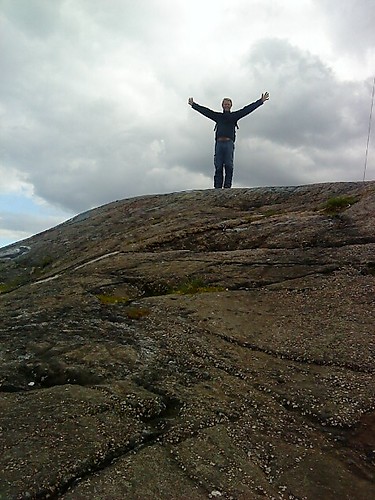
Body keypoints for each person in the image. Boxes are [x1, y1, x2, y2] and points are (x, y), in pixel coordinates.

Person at [188, 92, 269, 188]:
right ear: (222, 105)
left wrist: (260, 101)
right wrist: (194, 105)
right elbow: (206, 111)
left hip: (229, 143)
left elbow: (247, 109)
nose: (226, 105)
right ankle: (217, 187)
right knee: (218, 165)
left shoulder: (234, 116)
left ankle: (227, 187)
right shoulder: (218, 116)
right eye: (225, 104)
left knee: (229, 165)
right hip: (219, 143)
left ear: (231, 106)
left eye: (228, 104)